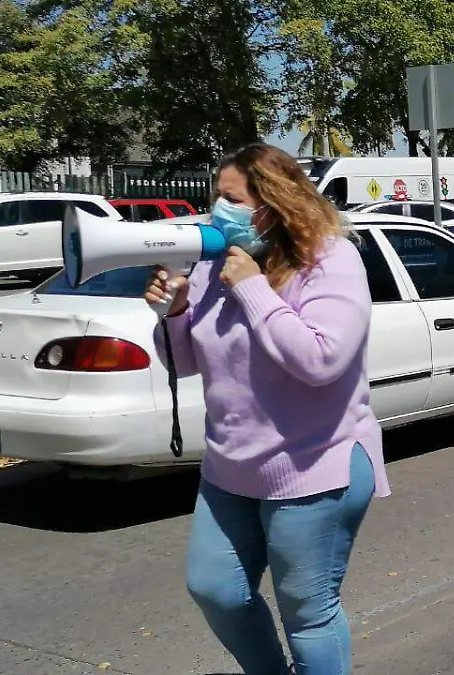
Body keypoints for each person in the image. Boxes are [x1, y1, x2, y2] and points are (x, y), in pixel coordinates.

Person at [145, 143, 390, 675]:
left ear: (274, 201)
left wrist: (254, 289)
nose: (218, 209)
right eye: (216, 196)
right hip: (231, 466)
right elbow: (182, 361)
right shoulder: (218, 267)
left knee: (308, 614)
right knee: (216, 590)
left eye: (231, 198)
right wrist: (177, 311)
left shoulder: (329, 258)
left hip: (314, 465)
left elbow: (321, 359)